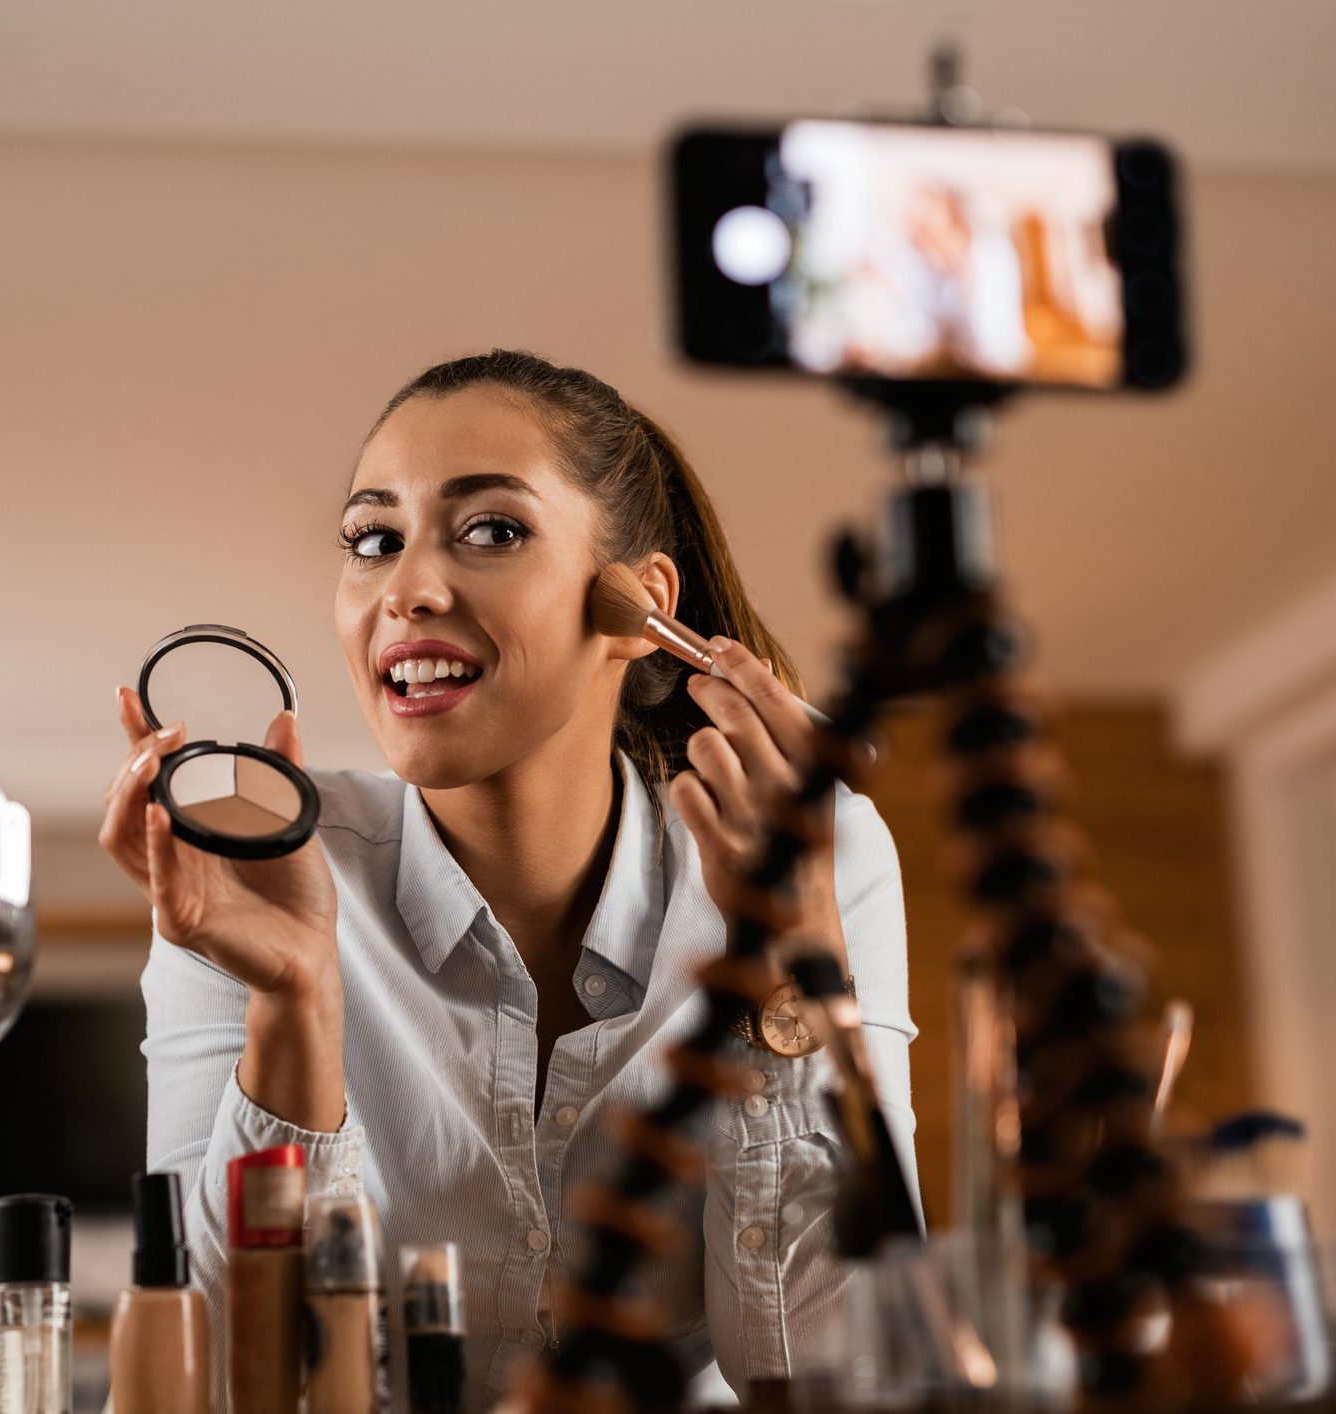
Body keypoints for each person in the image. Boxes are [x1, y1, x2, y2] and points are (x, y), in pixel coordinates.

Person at [98, 349, 915, 1403]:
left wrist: (794, 975)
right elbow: (204, 1390)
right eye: (372, 539)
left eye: (490, 529)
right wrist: (293, 1006)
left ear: (635, 600)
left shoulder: (812, 850)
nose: (408, 588)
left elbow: (860, 1377)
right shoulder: (256, 876)